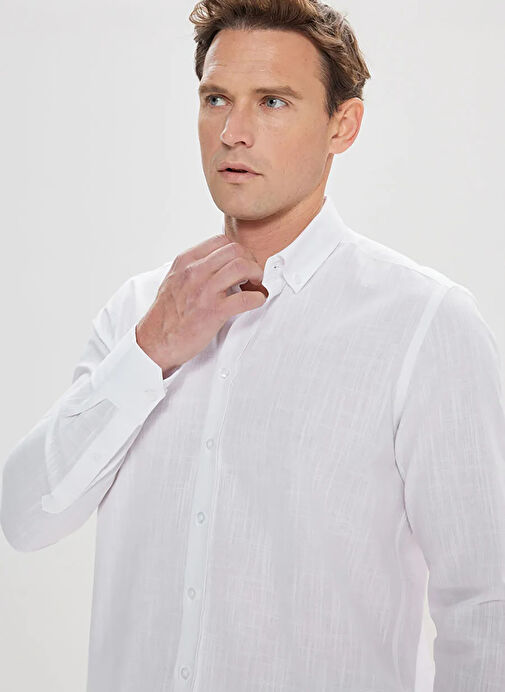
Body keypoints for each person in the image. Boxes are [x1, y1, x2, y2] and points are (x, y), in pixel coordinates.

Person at [2, 1, 504, 690]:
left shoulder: (424, 324)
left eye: (272, 101)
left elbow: (484, 604)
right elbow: (25, 518)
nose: (232, 133)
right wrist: (150, 350)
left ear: (342, 125)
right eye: (216, 99)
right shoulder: (136, 313)